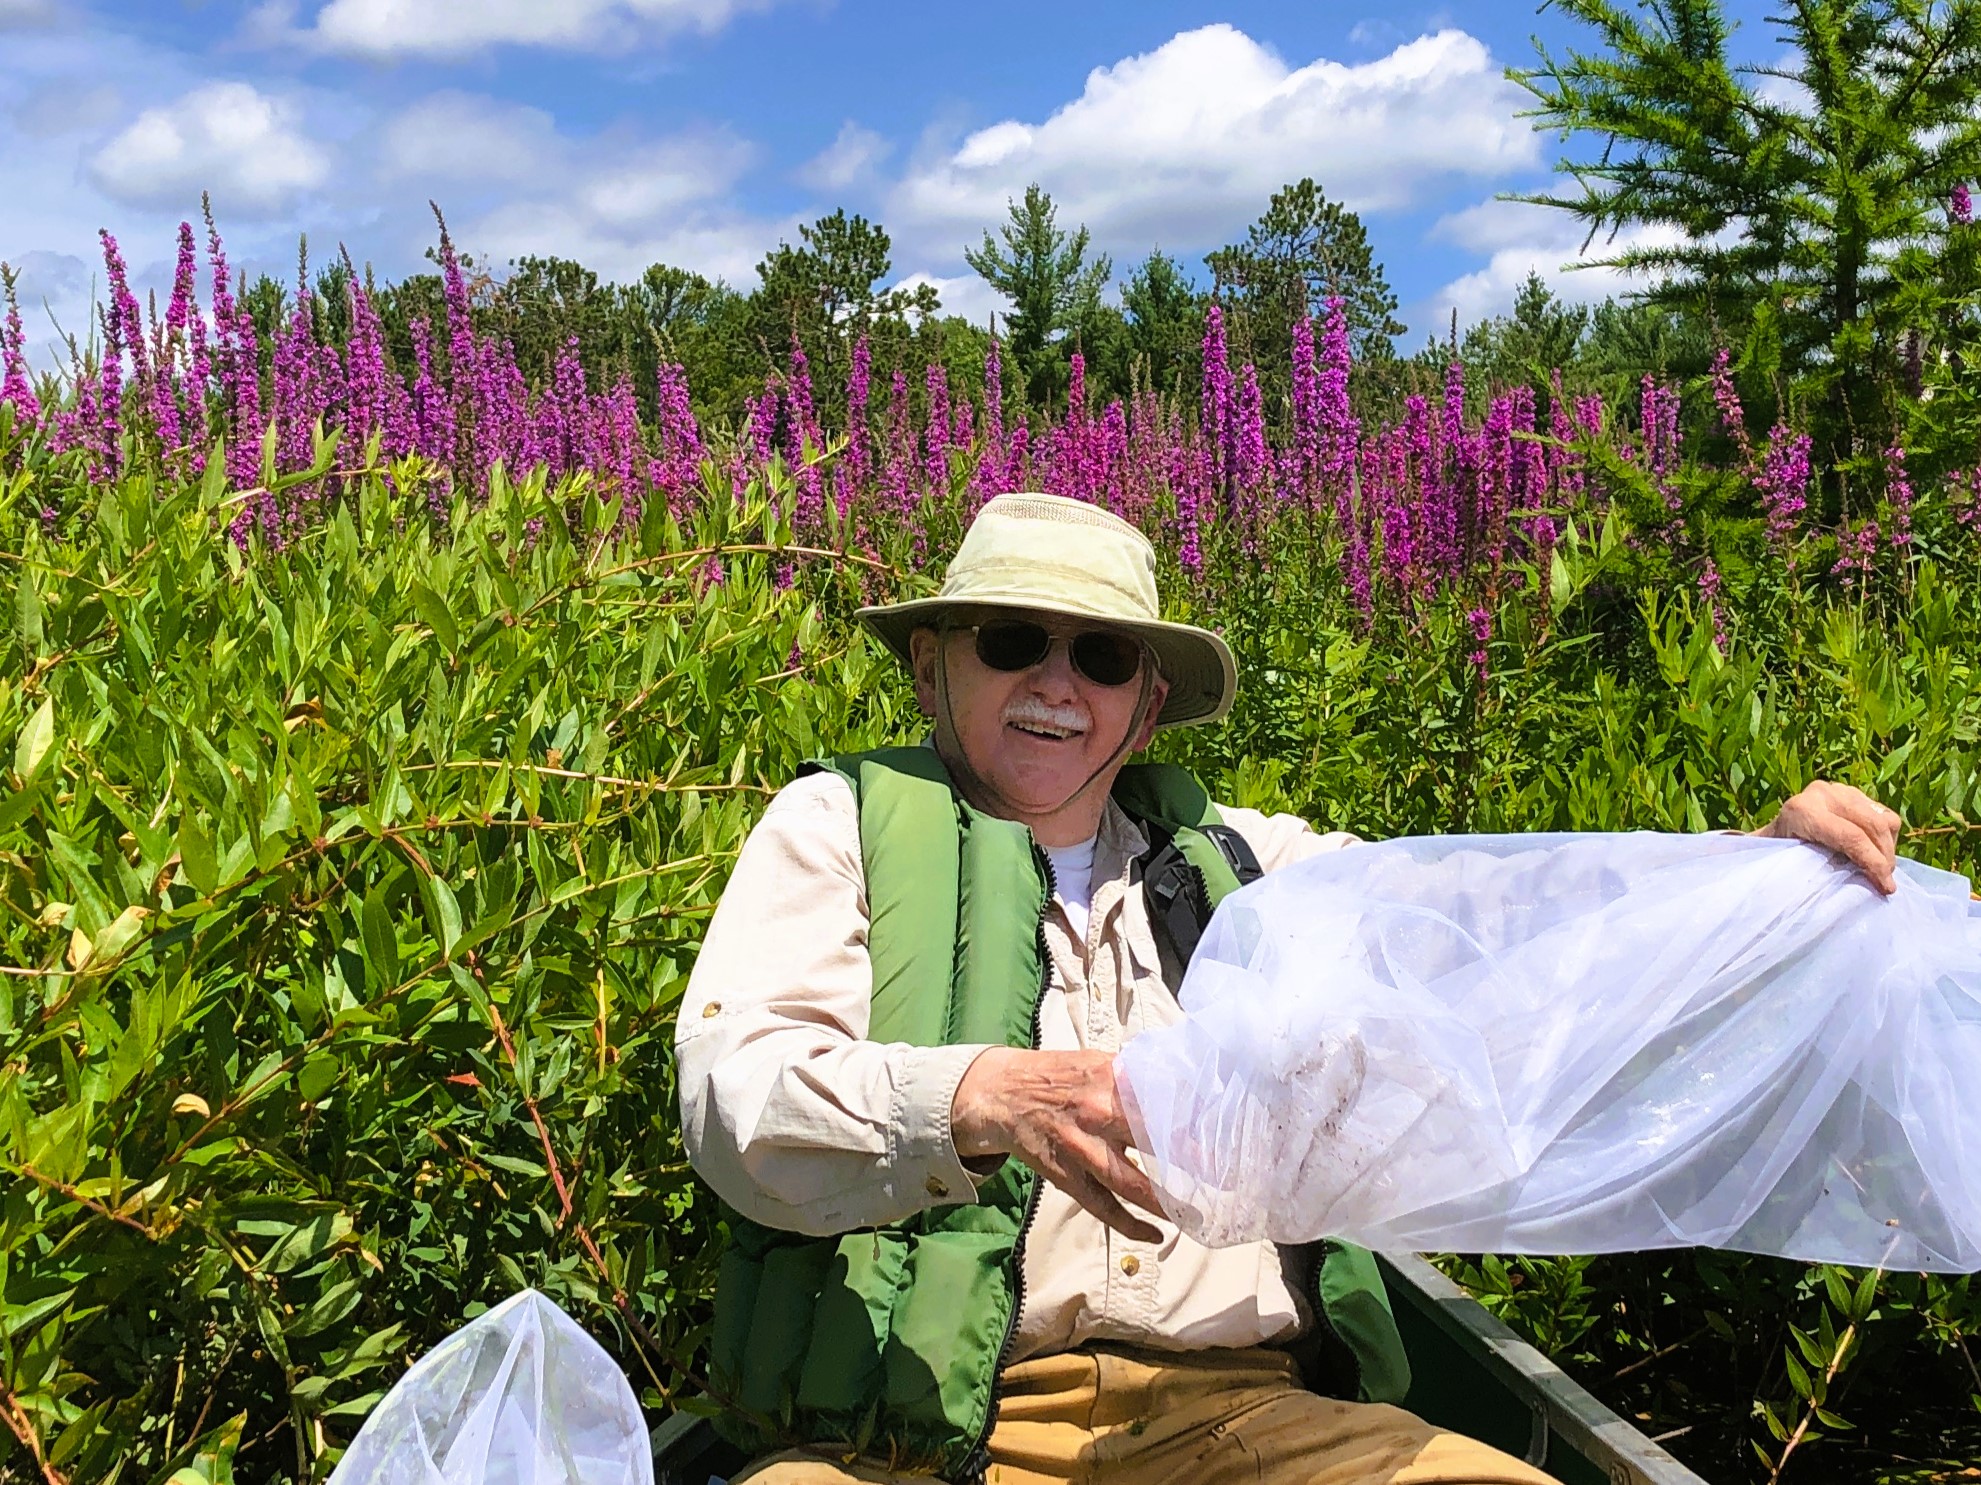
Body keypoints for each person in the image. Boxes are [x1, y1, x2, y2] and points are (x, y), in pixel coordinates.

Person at [674, 492, 1902, 1485]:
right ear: (933, 667)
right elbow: (738, 1102)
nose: (1056, 683)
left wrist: (1744, 873)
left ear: (1146, 702)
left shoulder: (1255, 862)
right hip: (911, 1441)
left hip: (1237, 1421)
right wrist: (980, 1096)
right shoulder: (832, 828)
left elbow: (1489, 931)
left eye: (1099, 657)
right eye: (1009, 643)